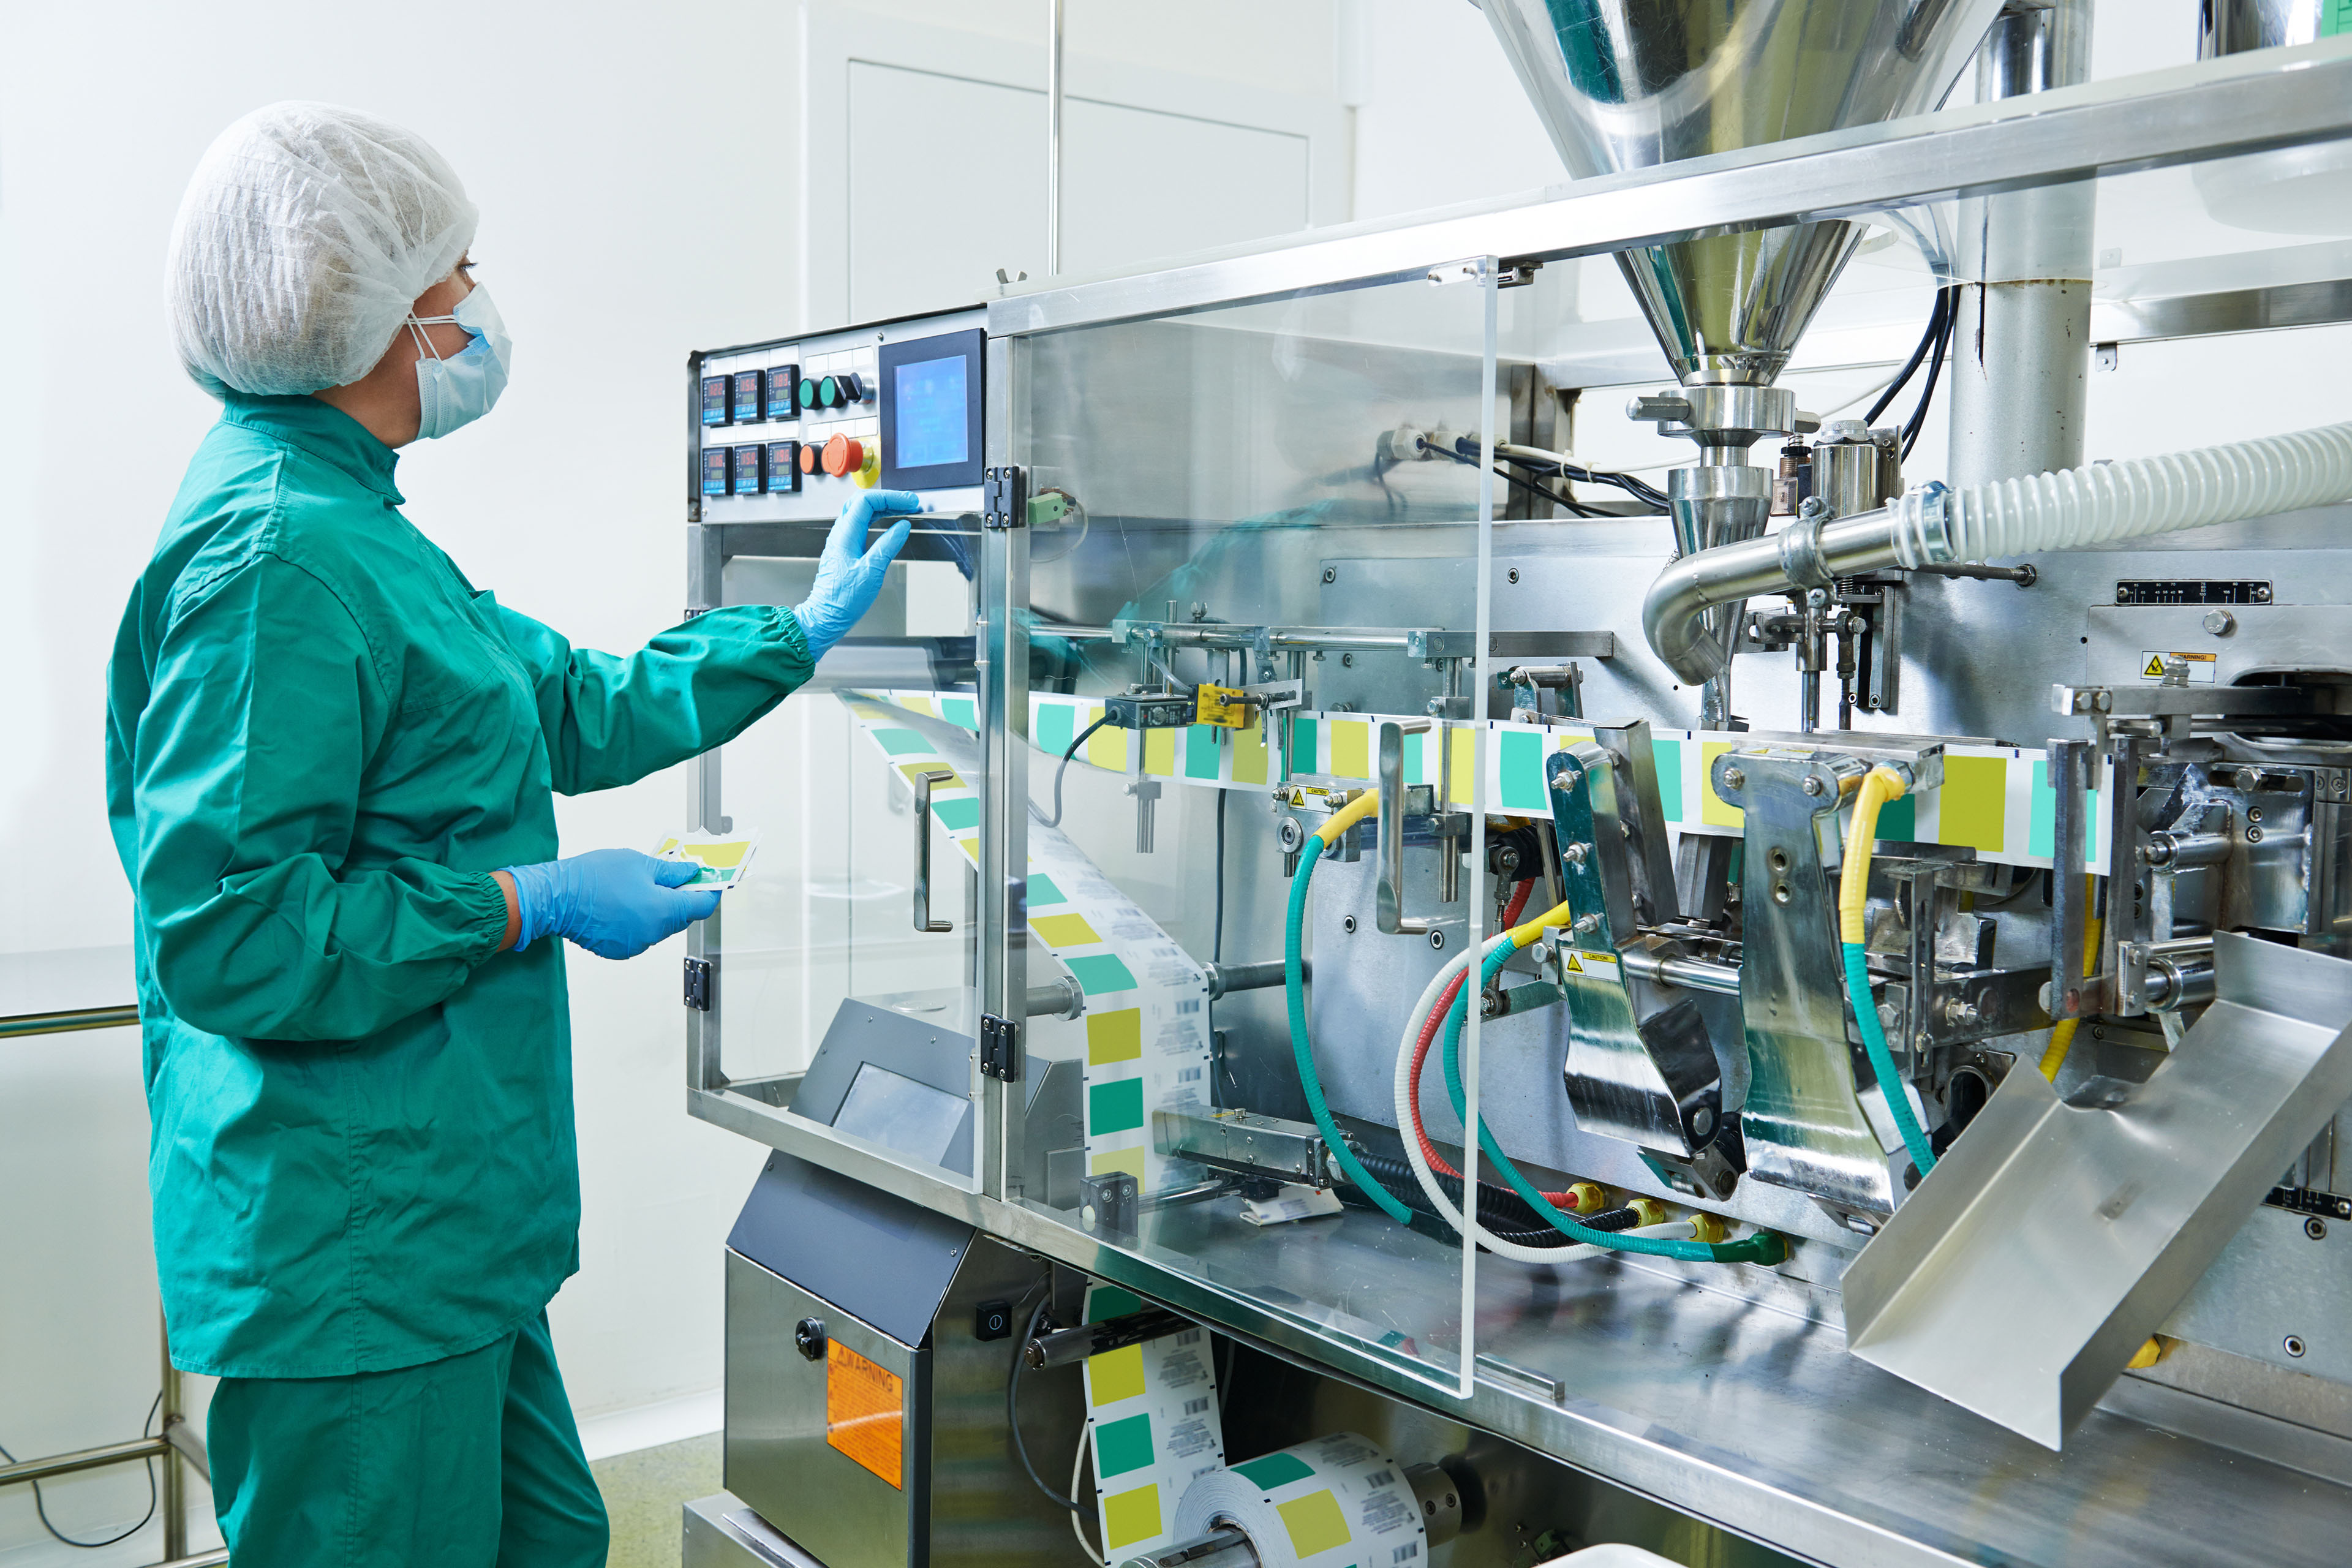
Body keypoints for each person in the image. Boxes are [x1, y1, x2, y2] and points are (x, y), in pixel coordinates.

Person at [104, 101, 918, 1567]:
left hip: (446, 1224)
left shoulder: (354, 523)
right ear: (364, 312)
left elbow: (562, 704)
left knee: (551, 1533)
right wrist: (525, 901)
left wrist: (790, 633)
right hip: (355, 1243)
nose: (480, 302)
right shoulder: (276, 555)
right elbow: (235, 936)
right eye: (457, 273)